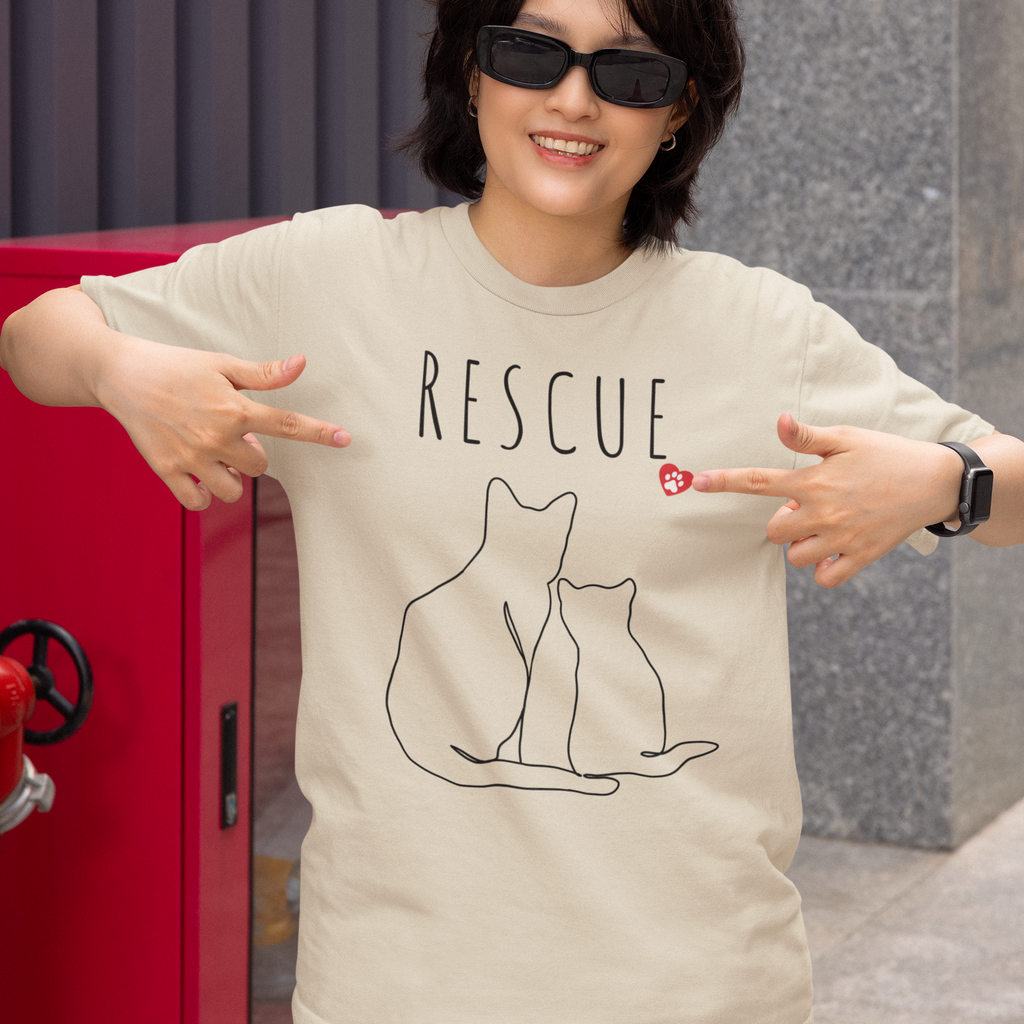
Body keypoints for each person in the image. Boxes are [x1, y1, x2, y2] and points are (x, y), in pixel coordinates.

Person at [2, 0, 1023, 1020]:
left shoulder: (758, 329)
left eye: (628, 73)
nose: (573, 99)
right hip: (394, 985)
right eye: (531, 52)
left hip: (697, 984)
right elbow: (35, 334)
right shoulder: (333, 278)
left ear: (677, 113)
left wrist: (945, 480)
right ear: (470, 68)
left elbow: (1007, 482)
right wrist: (117, 365)